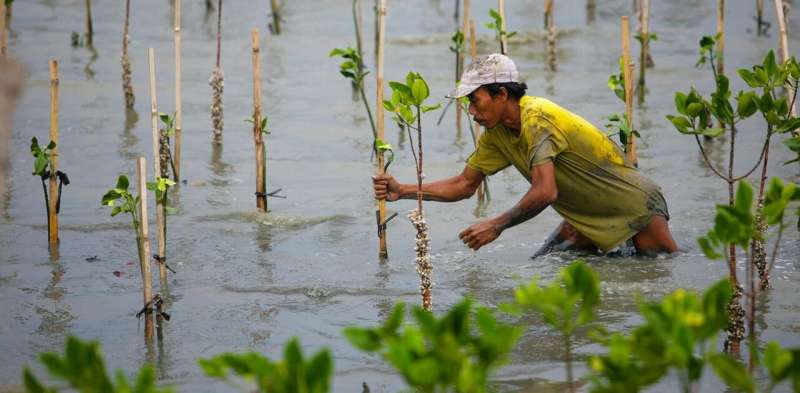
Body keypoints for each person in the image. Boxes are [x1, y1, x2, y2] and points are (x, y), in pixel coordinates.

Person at [372, 54, 678, 256]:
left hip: (635, 209)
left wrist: (496, 225)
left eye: (476, 101)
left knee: (657, 283)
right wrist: (404, 191)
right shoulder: (497, 134)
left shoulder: (537, 119)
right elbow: (464, 185)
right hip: (585, 219)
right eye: (468, 104)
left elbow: (545, 191)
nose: (472, 112)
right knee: (545, 267)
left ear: (502, 94)